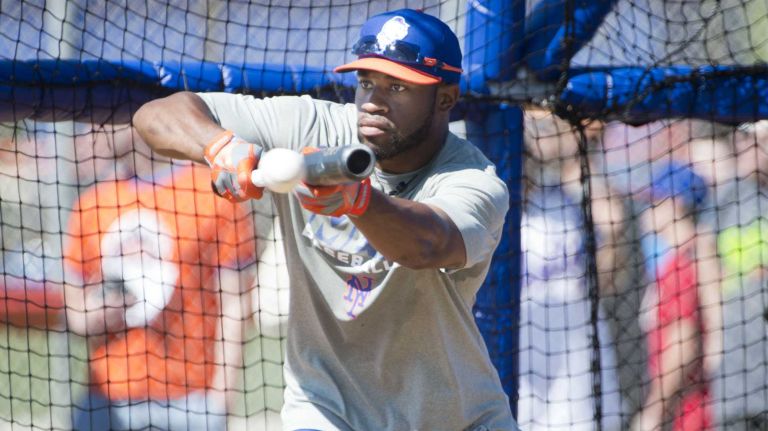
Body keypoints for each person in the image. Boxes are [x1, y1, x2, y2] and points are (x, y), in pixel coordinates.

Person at [133, 8, 516, 430]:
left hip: (454, 419)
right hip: (326, 410)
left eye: (398, 87)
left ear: (445, 98)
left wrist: (357, 201)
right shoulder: (310, 124)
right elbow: (155, 115)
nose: (374, 101)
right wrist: (223, 148)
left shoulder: (473, 179)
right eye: (367, 83)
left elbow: (427, 244)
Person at [62, 164, 257, 430]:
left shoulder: (212, 193)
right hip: (108, 397)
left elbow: (235, 302)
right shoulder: (94, 202)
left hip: (191, 400)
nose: (99, 126)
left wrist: (221, 399)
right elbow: (75, 312)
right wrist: (96, 312)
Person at [517, 108, 624, 430]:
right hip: (520, 347)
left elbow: (614, 223)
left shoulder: (564, 199)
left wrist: (573, 134)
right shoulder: (499, 210)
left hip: (575, 345)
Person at [631, 161, 720, 431]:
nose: (647, 209)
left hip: (693, 412)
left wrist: (654, 412)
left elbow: (684, 339)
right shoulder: (682, 256)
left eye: (654, 201)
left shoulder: (683, 262)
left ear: (675, 204)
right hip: (686, 408)